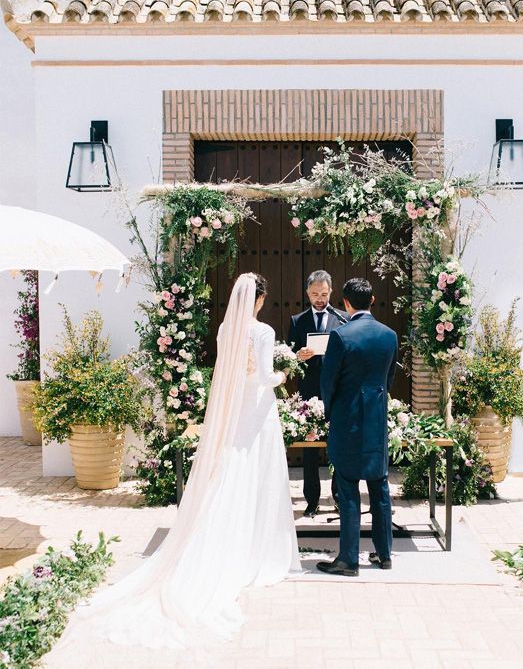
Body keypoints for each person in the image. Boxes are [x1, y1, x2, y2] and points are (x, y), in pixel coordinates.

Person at [44, 273, 300, 668]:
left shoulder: (225, 330)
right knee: (258, 476)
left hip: (236, 415)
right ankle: (256, 549)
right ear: (261, 299)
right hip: (258, 415)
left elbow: (233, 375)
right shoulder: (263, 331)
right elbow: (262, 377)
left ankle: (228, 542)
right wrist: (285, 372)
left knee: (232, 475)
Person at [318, 277, 398, 577]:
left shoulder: (340, 336)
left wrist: (330, 411)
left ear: (346, 303)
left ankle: (349, 559)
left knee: (348, 487)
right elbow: (388, 379)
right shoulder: (390, 335)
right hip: (376, 418)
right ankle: (385, 554)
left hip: (347, 419)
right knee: (380, 485)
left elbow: (329, 382)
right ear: (373, 300)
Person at [287, 270, 346, 516]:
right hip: (309, 393)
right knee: (310, 448)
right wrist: (298, 357)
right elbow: (289, 358)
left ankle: (339, 497)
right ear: (307, 293)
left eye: (323, 294)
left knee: (338, 446)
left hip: (336, 392)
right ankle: (311, 501)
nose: (319, 299)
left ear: (331, 292)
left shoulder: (342, 319)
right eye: (314, 294)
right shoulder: (297, 321)